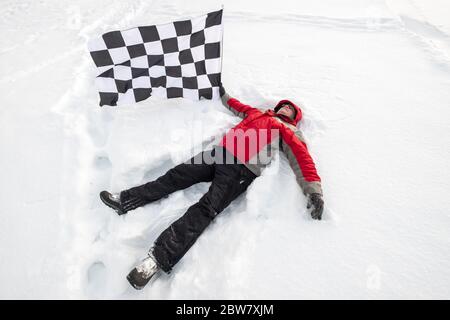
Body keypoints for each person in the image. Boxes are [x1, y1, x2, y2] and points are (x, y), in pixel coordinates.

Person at [99, 86, 324, 290]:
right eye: (284, 105)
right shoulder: (257, 113)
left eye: (290, 109)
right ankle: (124, 200)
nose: (286, 108)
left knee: (206, 209)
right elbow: (235, 105)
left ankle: (157, 259)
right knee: (175, 176)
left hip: (241, 170)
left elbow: (303, 160)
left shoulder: (288, 130)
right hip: (217, 154)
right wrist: (220, 89)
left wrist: (314, 192)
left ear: (295, 117)